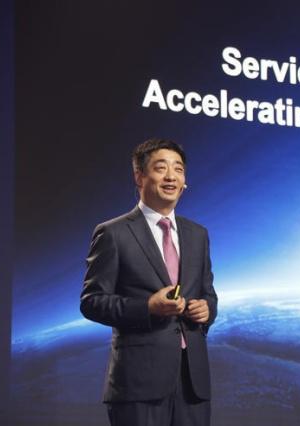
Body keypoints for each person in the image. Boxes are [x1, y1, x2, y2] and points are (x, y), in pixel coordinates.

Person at [80, 138, 217, 426]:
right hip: (138, 384)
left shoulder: (198, 234)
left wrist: (207, 310)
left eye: (178, 169)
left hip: (192, 384)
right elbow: (92, 301)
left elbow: (208, 293)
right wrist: (148, 307)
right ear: (139, 177)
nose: (171, 176)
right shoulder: (113, 233)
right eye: (161, 168)